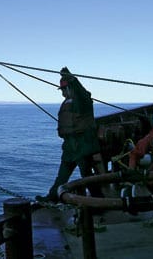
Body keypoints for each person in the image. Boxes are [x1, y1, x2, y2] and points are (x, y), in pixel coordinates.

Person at [36, 67, 105, 203]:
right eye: (61, 90)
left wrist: (72, 79)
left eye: (64, 89)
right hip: (69, 145)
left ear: (69, 88)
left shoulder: (82, 101)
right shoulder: (66, 103)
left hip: (83, 144)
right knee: (62, 176)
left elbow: (81, 93)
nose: (62, 92)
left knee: (87, 175)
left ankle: (99, 201)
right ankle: (52, 198)